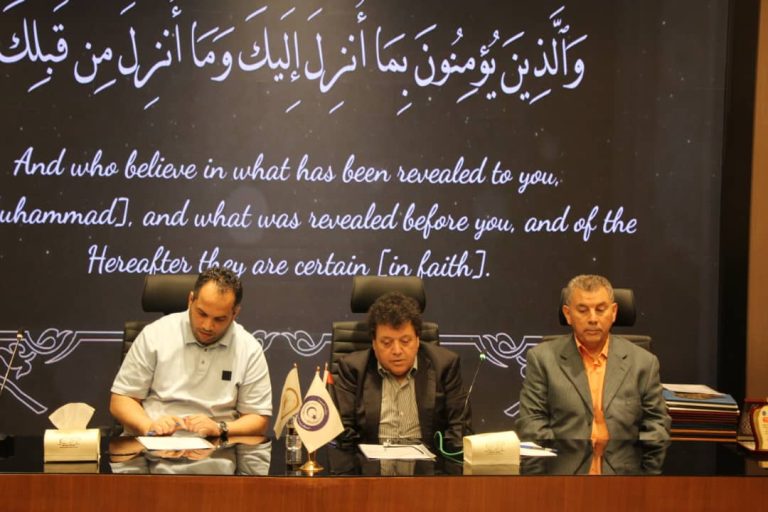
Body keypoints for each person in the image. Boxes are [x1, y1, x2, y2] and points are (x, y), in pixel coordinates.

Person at [110, 267, 272, 438]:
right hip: (154, 443)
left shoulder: (249, 348)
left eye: (219, 319)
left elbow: (258, 418)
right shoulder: (155, 334)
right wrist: (149, 426)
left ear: (234, 314)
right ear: (190, 300)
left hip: (216, 447)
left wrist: (220, 428)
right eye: (202, 313)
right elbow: (121, 400)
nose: (207, 326)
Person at [516, 274, 670, 442]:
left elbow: (658, 425)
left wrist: (638, 458)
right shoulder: (542, 359)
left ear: (614, 312)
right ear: (568, 314)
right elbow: (531, 424)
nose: (593, 319)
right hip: (564, 458)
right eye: (583, 311)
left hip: (623, 459)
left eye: (600, 310)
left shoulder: (644, 362)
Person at [333, 291, 471, 451]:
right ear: (374, 343)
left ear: (417, 340)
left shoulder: (445, 365)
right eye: (386, 343)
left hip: (429, 464)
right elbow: (344, 433)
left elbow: (458, 430)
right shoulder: (353, 369)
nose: (397, 351)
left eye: (405, 341)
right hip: (372, 463)